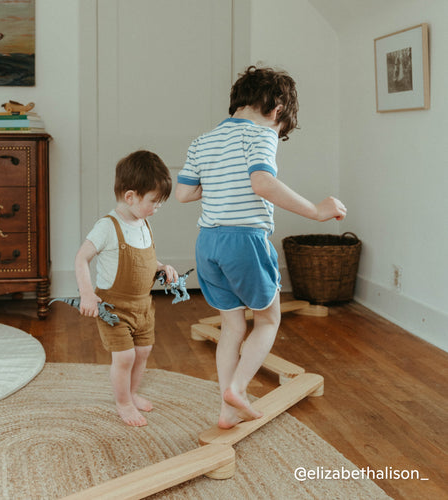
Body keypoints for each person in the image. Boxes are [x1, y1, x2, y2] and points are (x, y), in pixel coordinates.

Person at [175, 65, 347, 429]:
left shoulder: (202, 141)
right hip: (244, 241)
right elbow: (263, 183)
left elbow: (184, 193)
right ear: (277, 109)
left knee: (233, 326)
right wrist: (316, 211)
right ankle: (238, 389)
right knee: (268, 319)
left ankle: (227, 408)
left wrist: (223, 180)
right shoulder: (260, 135)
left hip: (207, 244)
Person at [75, 150, 178, 427]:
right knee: (125, 356)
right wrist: (87, 293)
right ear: (130, 196)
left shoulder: (143, 223)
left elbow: (143, 258)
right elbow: (81, 258)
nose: (157, 208)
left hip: (143, 306)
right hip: (114, 308)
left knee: (143, 352)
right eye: (154, 202)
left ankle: (131, 394)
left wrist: (162, 267)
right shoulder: (107, 227)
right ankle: (122, 403)